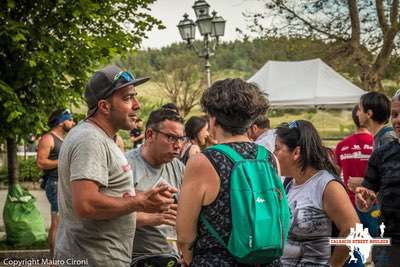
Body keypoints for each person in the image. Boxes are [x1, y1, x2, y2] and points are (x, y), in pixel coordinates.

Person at [55, 65, 176, 267]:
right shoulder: (90, 140)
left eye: (135, 97)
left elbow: (109, 191)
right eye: (128, 98)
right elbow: (86, 204)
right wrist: (141, 202)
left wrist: (146, 196)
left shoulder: (101, 138)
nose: (137, 105)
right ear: (104, 106)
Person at [177, 78, 278, 266]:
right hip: (264, 260)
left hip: (216, 260)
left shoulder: (203, 161)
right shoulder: (268, 158)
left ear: (213, 119)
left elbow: (184, 235)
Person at [274, 120, 359, 267]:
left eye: (277, 148)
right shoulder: (289, 183)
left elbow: (352, 229)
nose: (273, 154)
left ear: (296, 152)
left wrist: (334, 264)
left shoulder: (327, 185)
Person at [125, 108, 185, 265]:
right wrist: (152, 218)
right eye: (171, 138)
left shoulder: (178, 166)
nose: (178, 145)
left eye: (181, 138)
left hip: (173, 256)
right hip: (137, 257)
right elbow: (111, 215)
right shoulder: (126, 166)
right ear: (150, 135)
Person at [355, 91, 400, 267]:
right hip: (389, 244)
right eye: (395, 115)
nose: (397, 120)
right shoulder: (382, 154)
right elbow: (368, 191)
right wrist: (363, 198)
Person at [36, 108, 75, 256]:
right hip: (54, 185)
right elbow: (41, 163)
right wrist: (62, 161)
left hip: (64, 184)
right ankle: (53, 260)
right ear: (60, 122)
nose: (73, 122)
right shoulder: (48, 138)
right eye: (70, 119)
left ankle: (61, 258)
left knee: (66, 224)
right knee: (57, 223)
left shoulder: (64, 139)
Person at [335, 105, 373, 205]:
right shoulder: (378, 143)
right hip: (373, 201)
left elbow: (334, 176)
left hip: (350, 204)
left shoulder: (341, 145)